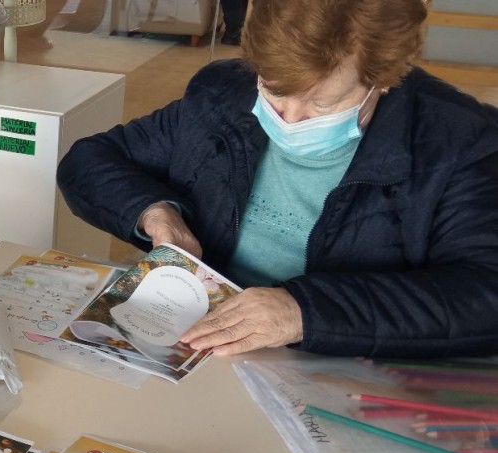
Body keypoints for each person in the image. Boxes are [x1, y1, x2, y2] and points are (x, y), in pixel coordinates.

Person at [56, 0, 498, 359]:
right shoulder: (222, 94)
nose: (288, 119)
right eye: (274, 90)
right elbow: (89, 160)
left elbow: (484, 295)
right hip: (204, 345)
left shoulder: (460, 142)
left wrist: (304, 313)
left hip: (343, 364)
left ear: (383, 80)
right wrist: (155, 213)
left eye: (322, 105)